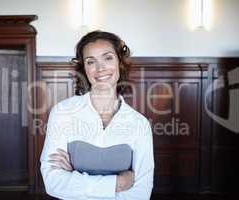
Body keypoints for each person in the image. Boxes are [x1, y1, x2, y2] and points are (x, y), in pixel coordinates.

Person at [40, 30, 154, 200]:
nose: (100, 68)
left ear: (120, 63)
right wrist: (117, 183)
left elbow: (142, 192)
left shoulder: (140, 123)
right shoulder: (63, 112)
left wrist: (74, 178)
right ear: (84, 69)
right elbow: (53, 182)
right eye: (91, 61)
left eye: (108, 58)